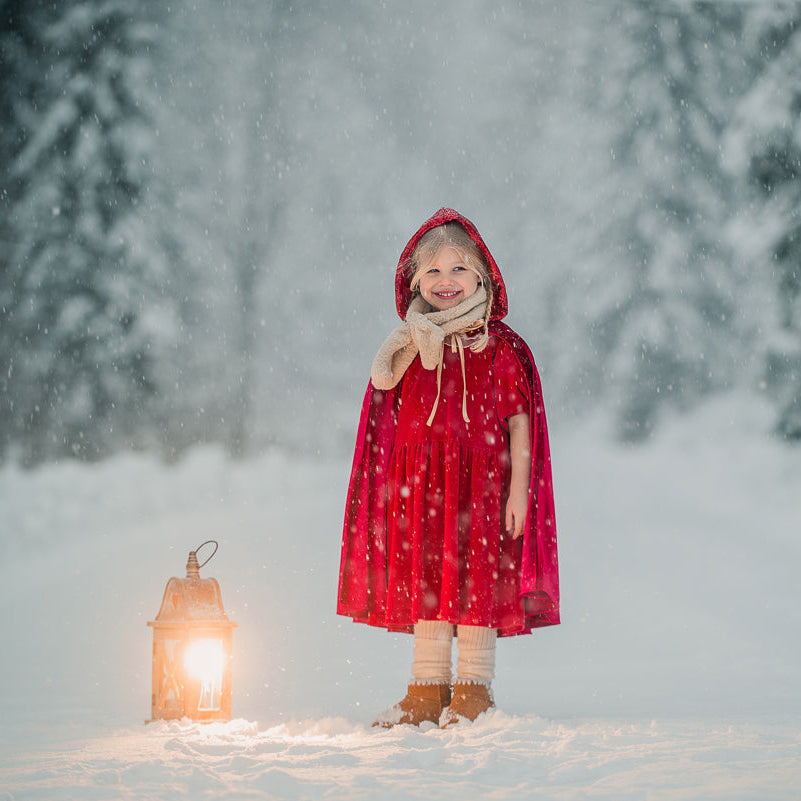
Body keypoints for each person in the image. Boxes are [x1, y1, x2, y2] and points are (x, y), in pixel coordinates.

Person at [337, 208, 559, 728]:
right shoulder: (406, 348)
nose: (445, 282)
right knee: (427, 581)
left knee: (477, 581)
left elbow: (519, 427)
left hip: (481, 488)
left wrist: (518, 493)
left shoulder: (499, 347)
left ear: (482, 275)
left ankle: (473, 690)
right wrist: (390, 490)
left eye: (458, 269)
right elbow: (385, 429)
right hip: (420, 488)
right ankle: (426, 690)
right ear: (415, 280)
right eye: (432, 271)